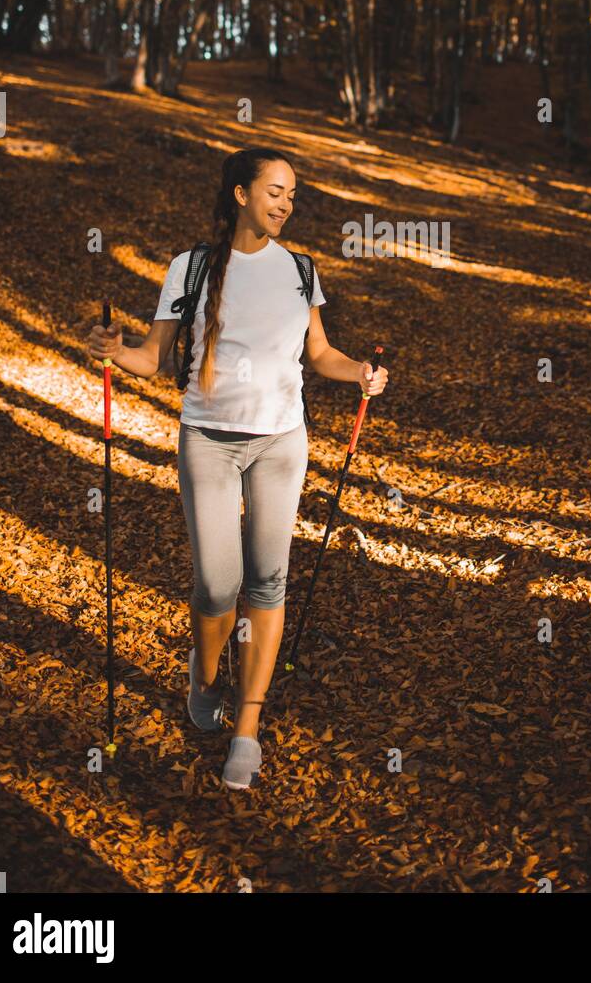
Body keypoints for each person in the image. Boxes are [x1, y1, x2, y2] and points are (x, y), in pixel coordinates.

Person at [86, 146, 388, 789]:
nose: (286, 203)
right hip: (210, 441)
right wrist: (115, 352)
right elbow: (152, 358)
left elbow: (322, 353)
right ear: (240, 194)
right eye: (275, 190)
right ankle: (204, 668)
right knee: (218, 587)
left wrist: (359, 372)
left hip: (281, 443)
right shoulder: (192, 267)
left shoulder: (301, 270)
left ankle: (245, 731)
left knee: (268, 585)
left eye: (293, 195)